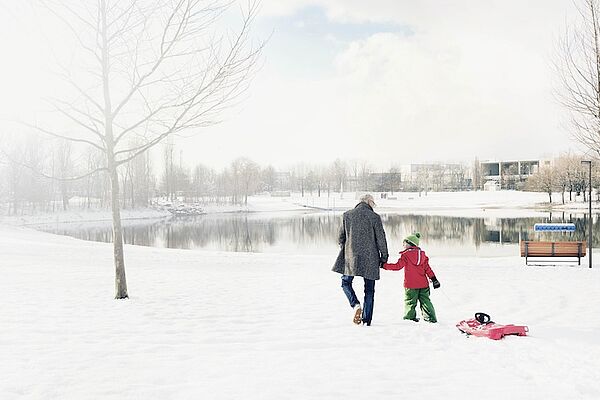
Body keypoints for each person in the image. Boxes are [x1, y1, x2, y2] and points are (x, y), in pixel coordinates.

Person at [332, 194, 388, 326]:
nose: (373, 206)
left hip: (351, 257)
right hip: (371, 258)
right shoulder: (374, 217)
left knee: (345, 282)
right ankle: (366, 320)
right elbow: (381, 239)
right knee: (369, 290)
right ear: (369, 202)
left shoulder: (347, 215)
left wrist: (347, 249)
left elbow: (341, 237)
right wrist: (384, 257)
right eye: (373, 203)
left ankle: (355, 305)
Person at [382, 232, 440, 323]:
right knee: (426, 301)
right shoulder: (423, 256)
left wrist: (384, 265)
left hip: (410, 285)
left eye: (404, 243)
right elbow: (428, 269)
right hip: (423, 285)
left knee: (410, 302)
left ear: (409, 244)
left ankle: (409, 318)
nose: (403, 245)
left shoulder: (405, 255)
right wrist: (434, 279)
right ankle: (431, 318)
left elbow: (397, 266)